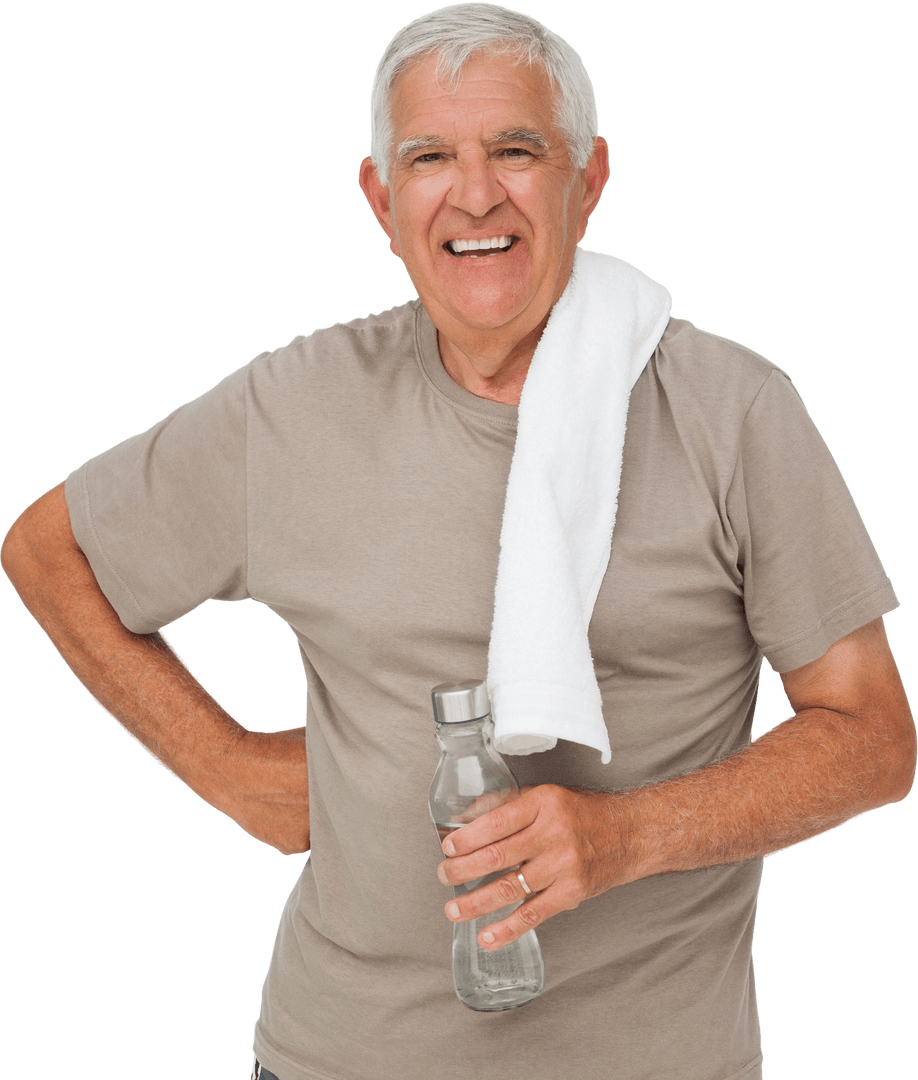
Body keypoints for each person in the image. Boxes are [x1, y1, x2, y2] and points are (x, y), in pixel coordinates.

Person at [2, 4, 914, 1079]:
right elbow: (48, 549)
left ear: (590, 176)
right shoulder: (294, 406)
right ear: (383, 201)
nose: (475, 194)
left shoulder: (734, 410)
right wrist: (230, 772)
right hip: (335, 1055)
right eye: (430, 157)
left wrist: (628, 837)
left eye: (516, 150)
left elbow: (874, 738)